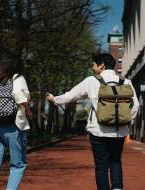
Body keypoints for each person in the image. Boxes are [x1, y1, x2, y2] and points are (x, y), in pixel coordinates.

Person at [47, 53, 139, 190]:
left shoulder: (91, 80)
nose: (92, 66)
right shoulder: (126, 81)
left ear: (101, 65)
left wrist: (55, 99)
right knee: (115, 162)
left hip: (98, 130)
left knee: (101, 166)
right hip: (119, 132)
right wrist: (124, 121)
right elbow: (135, 106)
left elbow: (72, 95)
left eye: (94, 64)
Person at [0, 58, 33, 190]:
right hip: (12, 126)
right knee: (17, 165)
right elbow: (20, 97)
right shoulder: (17, 78)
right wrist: (28, 111)